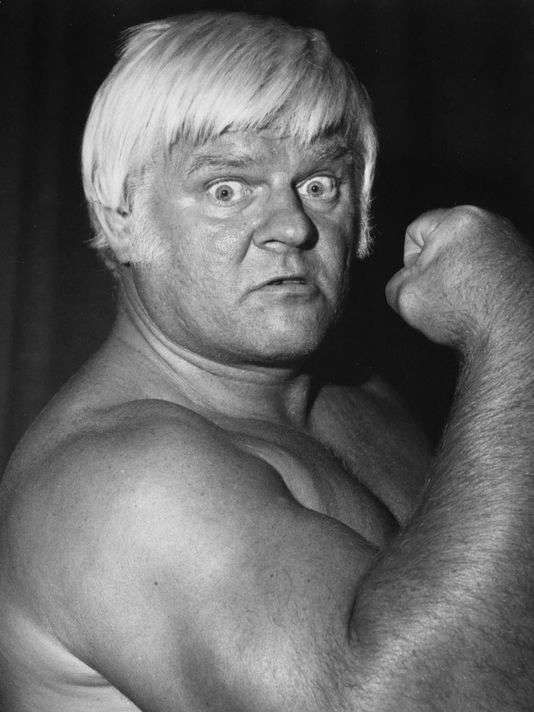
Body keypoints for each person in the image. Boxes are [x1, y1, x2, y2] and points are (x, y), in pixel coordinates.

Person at [0, 11, 532, 712]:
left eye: (320, 185)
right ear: (121, 216)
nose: (292, 226)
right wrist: (514, 326)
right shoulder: (122, 481)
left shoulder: (357, 393)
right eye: (227, 189)